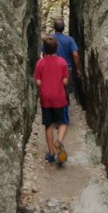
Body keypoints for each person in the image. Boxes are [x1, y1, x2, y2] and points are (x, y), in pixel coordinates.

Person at [34, 36, 69, 164]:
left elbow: (38, 82)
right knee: (63, 122)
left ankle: (51, 154)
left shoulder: (40, 63)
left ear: (44, 49)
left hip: (46, 98)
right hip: (59, 97)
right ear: (56, 48)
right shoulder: (62, 62)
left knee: (48, 125)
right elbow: (65, 81)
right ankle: (59, 141)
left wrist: (45, 85)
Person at [51, 18, 81, 96]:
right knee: (66, 93)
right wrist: (78, 69)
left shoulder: (49, 39)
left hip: (53, 68)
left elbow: (44, 54)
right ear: (63, 28)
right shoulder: (70, 40)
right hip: (67, 69)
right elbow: (75, 55)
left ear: (54, 27)